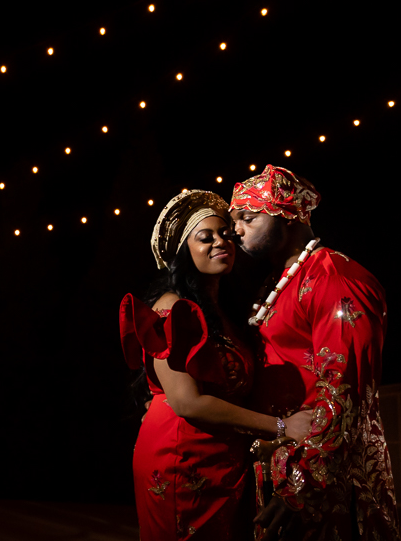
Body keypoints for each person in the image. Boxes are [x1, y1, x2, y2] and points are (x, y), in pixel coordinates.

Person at [120, 189, 312, 541]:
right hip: (181, 456)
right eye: (204, 238)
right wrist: (281, 426)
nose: (221, 242)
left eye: (225, 233)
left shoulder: (225, 312)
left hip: (221, 460)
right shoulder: (171, 306)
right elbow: (186, 402)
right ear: (183, 251)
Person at [229, 165, 399, 541]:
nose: (237, 230)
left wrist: (300, 487)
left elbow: (345, 389)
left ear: (286, 215)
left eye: (248, 218)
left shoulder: (334, 278)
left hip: (323, 482)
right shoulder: (281, 281)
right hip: (281, 467)